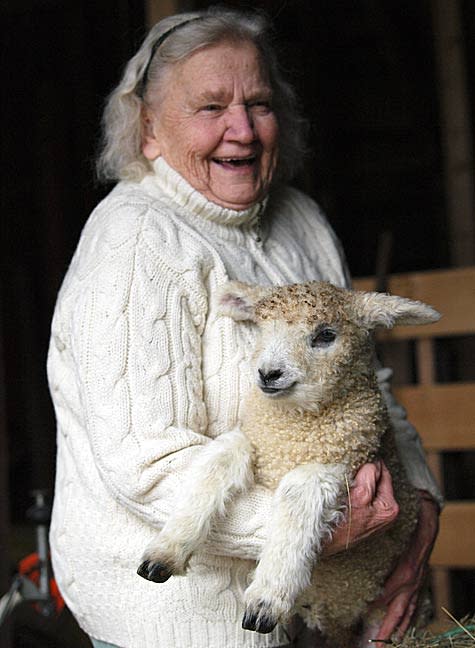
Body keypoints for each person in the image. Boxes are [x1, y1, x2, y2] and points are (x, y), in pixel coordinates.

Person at [47, 8, 441, 648]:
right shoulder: (135, 241)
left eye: (259, 103)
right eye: (210, 107)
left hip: (324, 609)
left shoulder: (302, 220)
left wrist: (418, 512)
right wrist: (318, 530)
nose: (243, 130)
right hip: (185, 622)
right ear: (149, 129)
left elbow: (367, 388)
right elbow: (146, 464)